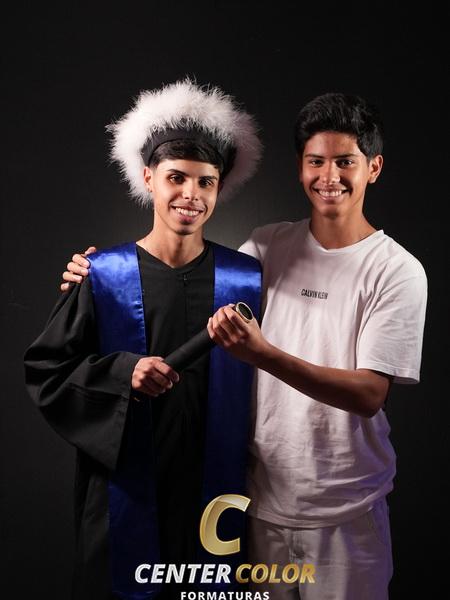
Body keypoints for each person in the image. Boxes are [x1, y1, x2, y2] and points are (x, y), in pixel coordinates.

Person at [61, 93, 428, 600]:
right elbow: (180, 288)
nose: (329, 176)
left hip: (346, 509)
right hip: (256, 505)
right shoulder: (263, 250)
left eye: (346, 162)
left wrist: (262, 354)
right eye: (316, 161)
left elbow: (369, 395)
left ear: (374, 167)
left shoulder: (396, 270)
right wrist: (94, 273)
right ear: (300, 166)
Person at [24, 78, 262, 600]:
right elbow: (47, 371)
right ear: (149, 177)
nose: (190, 195)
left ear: (219, 187)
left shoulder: (247, 280)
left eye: (206, 182)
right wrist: (121, 372)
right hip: (123, 498)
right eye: (176, 177)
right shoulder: (102, 275)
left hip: (217, 498)